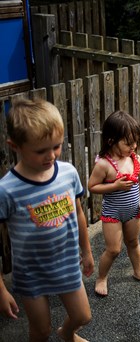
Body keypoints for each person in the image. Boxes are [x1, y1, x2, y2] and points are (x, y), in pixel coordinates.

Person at [0, 99, 94, 341]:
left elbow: (79, 213)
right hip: (31, 273)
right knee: (40, 331)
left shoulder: (68, 173)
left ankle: (67, 333)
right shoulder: (6, 190)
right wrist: (0, 289)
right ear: (15, 146)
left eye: (57, 146)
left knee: (83, 316)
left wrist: (87, 250)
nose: (51, 155)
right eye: (40, 150)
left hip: (67, 263)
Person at [88, 110, 140, 297]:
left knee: (133, 242)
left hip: (134, 210)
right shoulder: (104, 164)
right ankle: (102, 277)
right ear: (111, 141)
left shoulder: (136, 159)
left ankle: (138, 271)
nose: (134, 146)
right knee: (114, 249)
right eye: (128, 143)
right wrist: (115, 186)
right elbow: (92, 186)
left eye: (136, 141)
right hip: (113, 213)